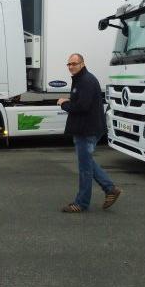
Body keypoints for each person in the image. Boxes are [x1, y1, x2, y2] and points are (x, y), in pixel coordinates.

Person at [57, 53, 121, 213]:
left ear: (82, 64)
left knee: (85, 168)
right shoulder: (81, 79)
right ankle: (110, 189)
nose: (71, 66)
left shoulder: (85, 80)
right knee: (87, 163)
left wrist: (64, 104)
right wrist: (69, 101)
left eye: (74, 63)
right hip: (86, 128)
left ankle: (81, 203)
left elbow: (82, 107)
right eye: (69, 64)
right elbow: (82, 102)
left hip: (87, 130)